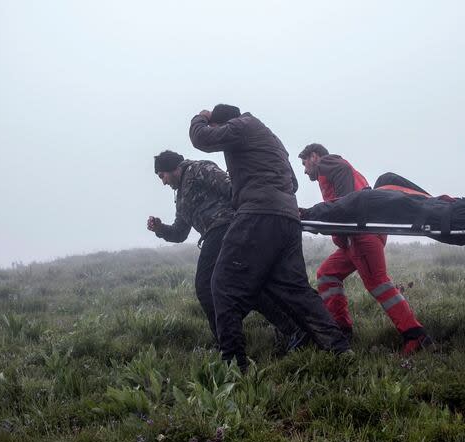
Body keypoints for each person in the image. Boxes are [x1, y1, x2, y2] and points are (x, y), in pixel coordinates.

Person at [189, 104, 352, 370]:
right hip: (286, 219)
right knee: (296, 289)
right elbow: (294, 183)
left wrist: (201, 117)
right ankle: (340, 348)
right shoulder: (270, 139)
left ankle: (233, 364)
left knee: (221, 284)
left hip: (258, 215)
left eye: (219, 128)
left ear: (224, 123)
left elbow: (202, 139)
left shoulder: (241, 126)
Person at [146, 150, 306, 351]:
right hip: (216, 234)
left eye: (162, 176)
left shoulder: (199, 169)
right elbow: (179, 233)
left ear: (172, 167)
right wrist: (160, 229)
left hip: (227, 228)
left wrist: (252, 219)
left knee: (205, 287)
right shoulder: (181, 197)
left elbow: (232, 188)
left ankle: (226, 344)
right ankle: (293, 330)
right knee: (246, 287)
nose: (163, 182)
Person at [298, 144, 434, 355]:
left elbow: (344, 204)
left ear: (314, 157)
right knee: (327, 275)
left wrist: (316, 213)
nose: (305, 170)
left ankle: (415, 335)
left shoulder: (329, 164)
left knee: (378, 284)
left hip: (362, 236)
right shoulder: (330, 174)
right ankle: (341, 329)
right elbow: (341, 205)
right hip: (355, 238)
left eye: (304, 163)